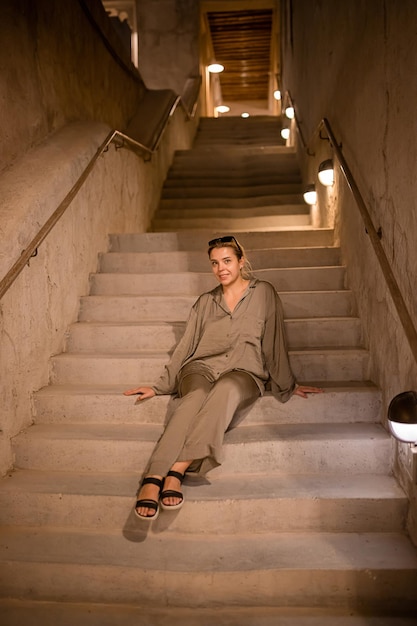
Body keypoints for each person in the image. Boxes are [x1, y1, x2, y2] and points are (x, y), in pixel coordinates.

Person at [124, 235, 323, 520]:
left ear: (241, 261)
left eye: (227, 261)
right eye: (215, 263)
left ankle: (175, 471)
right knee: (193, 398)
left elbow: (274, 341)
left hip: (244, 371)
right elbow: (186, 346)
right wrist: (160, 386)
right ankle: (153, 477)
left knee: (226, 391)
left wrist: (287, 384)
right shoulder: (205, 302)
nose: (221, 268)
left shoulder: (264, 292)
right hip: (201, 368)